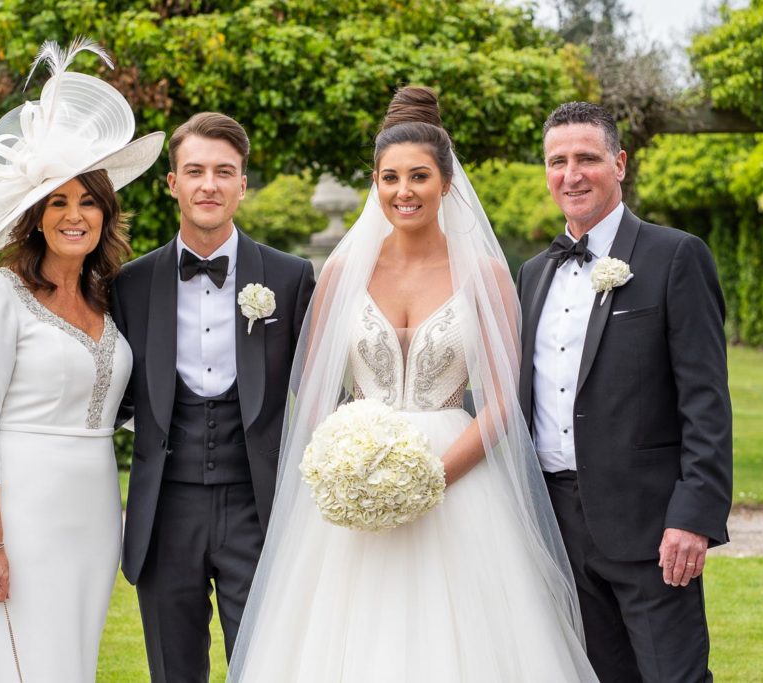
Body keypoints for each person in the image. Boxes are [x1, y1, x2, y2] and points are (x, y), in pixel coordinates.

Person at [227, 87, 598, 682]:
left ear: (445, 183)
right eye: (390, 177)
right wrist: (344, 465)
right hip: (355, 483)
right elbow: (316, 390)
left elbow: (504, 401)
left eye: (419, 176)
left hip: (461, 486)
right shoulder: (342, 272)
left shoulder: (486, 275)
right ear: (375, 184)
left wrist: (430, 479)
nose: (404, 191)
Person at [0, 39, 164, 681]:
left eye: (88, 201)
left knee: (70, 660)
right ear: (35, 217)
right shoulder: (2, 296)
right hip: (20, 513)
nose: (75, 215)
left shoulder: (109, 298)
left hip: (94, 509)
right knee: (9, 660)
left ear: (106, 212)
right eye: (58, 202)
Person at [516, 101, 732, 682]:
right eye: (557, 161)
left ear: (619, 163)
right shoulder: (533, 274)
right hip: (557, 524)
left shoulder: (676, 256)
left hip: (650, 526)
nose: (571, 174)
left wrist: (693, 517)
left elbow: (706, 402)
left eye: (586, 158)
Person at [110, 112, 316, 683]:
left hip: (258, 508)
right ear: (172, 182)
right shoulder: (130, 284)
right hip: (165, 511)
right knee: (173, 672)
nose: (209, 185)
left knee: (266, 667)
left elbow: (322, 391)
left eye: (224, 172)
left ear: (242, 185)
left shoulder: (290, 277)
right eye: (195, 171)